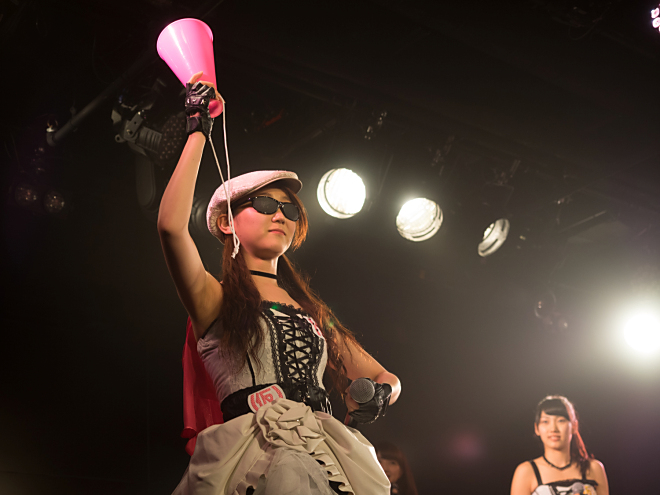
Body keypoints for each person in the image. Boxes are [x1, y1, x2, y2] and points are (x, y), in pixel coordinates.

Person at [157, 72, 401, 495]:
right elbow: (170, 228)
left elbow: (384, 376)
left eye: (289, 210)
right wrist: (198, 132)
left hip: (325, 450)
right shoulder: (213, 297)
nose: (280, 215)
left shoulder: (312, 312)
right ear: (226, 222)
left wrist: (378, 394)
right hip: (249, 453)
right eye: (266, 203)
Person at [510, 395, 609, 495]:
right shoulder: (526, 471)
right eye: (545, 421)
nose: (553, 429)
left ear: (574, 426)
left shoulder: (594, 468)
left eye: (561, 420)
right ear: (536, 428)